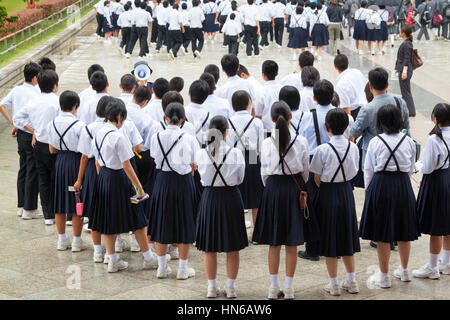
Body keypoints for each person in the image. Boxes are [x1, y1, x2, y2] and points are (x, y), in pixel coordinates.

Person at [88, 98, 155, 272]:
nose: (123, 122)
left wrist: (103, 180)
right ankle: (148, 257)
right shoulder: (118, 136)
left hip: (103, 176)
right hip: (118, 178)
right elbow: (127, 165)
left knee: (108, 220)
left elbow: (96, 162)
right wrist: (139, 188)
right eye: (123, 118)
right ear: (119, 116)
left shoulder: (98, 133)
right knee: (137, 217)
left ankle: (112, 259)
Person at [252, 101, 310, 300]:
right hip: (294, 189)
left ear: (271, 119)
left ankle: (273, 286)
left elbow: (264, 172)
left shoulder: (267, 142)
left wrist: (272, 186)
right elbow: (305, 171)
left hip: (273, 189)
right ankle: (290, 286)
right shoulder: (301, 141)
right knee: (291, 242)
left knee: (274, 242)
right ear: (290, 117)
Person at [359, 104, 420, 288]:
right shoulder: (408, 141)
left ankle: (384, 275)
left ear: (381, 122)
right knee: (404, 230)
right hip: (402, 185)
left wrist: (370, 191)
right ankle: (405, 269)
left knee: (382, 232)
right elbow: (411, 167)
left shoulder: (376, 142)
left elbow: (368, 169)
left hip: (381, 185)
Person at [310, 108, 360, 296]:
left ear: (327, 128)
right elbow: (355, 171)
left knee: (329, 239)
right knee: (347, 236)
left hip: (328, 193)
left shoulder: (322, 149)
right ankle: (352, 281)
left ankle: (334, 283)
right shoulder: (353, 147)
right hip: (346, 192)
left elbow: (316, 177)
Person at [196, 115, 247, 298]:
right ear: (226, 133)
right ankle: (230, 287)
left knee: (210, 246)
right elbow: (240, 178)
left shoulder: (202, 153)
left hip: (210, 197)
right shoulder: (236, 153)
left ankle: (211, 287)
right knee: (232, 246)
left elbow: (201, 178)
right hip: (231, 197)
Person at [148, 102, 200, 280]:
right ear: (183, 119)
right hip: (184, 182)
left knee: (161, 221)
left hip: (162, 180)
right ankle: (183, 269)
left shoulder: (156, 137)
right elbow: (195, 162)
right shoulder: (189, 138)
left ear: (166, 118)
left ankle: (162, 268)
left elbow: (154, 156)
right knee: (186, 222)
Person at [12, 70, 60, 225]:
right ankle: (57, 211)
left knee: (43, 179)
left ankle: (48, 216)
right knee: (55, 179)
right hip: (54, 146)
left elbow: (17, 118)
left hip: (38, 144)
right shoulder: (57, 101)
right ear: (55, 85)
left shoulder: (33, 102)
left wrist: (32, 130)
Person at [0, 62, 41, 219]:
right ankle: (29, 209)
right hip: (31, 134)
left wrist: (14, 124)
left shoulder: (17, 90)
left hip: (20, 134)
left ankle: (21, 205)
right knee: (32, 169)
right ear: (35, 77)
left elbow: (1, 105)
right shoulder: (36, 92)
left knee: (23, 168)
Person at [413, 103, 450, 279]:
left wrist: (416, 165)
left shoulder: (435, 139)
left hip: (436, 181)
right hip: (448, 177)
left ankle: (432, 267)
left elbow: (428, 168)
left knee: (436, 226)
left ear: (435, 119)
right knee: (448, 224)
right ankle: (447, 262)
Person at [46, 91, 86, 251]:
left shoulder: (52, 124)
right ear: (75, 106)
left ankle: (61, 239)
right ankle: (77, 240)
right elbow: (84, 153)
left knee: (59, 200)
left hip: (60, 163)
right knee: (77, 201)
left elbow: (52, 150)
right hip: (75, 163)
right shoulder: (80, 126)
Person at [350, 67, 410, 166]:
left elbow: (354, 132)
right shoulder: (400, 103)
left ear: (370, 86)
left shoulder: (367, 109)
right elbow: (406, 130)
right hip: (398, 155)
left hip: (374, 158)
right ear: (387, 84)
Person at [227, 90, 264, 226]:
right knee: (256, 197)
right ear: (249, 104)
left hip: (234, 157)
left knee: (236, 196)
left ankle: (238, 230)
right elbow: (261, 146)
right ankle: (257, 232)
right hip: (253, 157)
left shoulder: (227, 121)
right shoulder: (257, 122)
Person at [333, 54, 367, 118]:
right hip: (366, 107)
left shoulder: (340, 84)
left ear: (335, 66)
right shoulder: (357, 72)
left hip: (355, 114)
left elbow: (346, 109)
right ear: (348, 63)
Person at [255, 60, 282, 132]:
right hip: (282, 128)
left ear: (263, 75)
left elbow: (258, 114)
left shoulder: (260, 91)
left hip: (266, 129)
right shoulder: (282, 88)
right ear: (277, 73)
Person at [395, 25, 416, 117]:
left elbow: (407, 59)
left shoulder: (407, 44)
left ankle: (411, 111)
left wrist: (404, 72)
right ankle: (407, 109)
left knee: (406, 92)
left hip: (405, 71)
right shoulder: (406, 43)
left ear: (403, 33)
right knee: (405, 91)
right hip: (402, 69)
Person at [186, 80, 211, 147]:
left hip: (185, 149)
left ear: (189, 93)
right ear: (206, 97)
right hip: (202, 152)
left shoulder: (182, 112)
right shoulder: (209, 116)